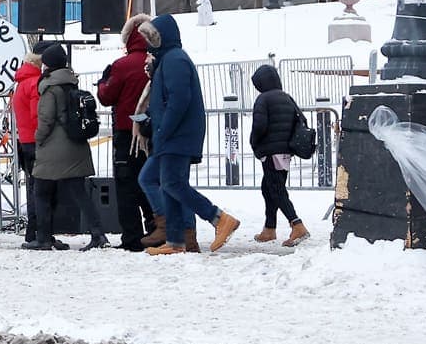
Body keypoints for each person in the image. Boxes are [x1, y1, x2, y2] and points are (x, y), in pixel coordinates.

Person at [137, 15, 240, 256]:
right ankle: (175, 240)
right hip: (173, 135)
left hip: (177, 136)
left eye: (152, 38)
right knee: (167, 184)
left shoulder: (174, 60)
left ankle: (219, 218)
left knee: (172, 183)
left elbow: (178, 101)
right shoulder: (169, 60)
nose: (149, 44)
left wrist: (163, 130)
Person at [32, 43, 105, 251]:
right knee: (79, 192)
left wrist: (38, 138)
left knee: (41, 191)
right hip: (76, 146)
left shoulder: (50, 88)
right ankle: (98, 233)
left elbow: (46, 120)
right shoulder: (71, 83)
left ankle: (44, 238)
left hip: (54, 150)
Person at [95, 14, 158, 251]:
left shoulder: (121, 66)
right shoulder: (157, 61)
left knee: (126, 187)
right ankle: (156, 229)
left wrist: (104, 81)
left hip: (126, 133)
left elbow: (106, 96)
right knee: (151, 183)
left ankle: (132, 237)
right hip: (153, 133)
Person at [248, 64, 308, 246]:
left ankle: (297, 225)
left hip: (270, 151)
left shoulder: (263, 99)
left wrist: (254, 143)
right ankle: (269, 228)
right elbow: (301, 120)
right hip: (285, 152)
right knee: (269, 188)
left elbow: (259, 126)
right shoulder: (286, 97)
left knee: (277, 190)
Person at [12, 44, 50, 248]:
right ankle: (37, 232)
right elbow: (38, 116)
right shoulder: (35, 83)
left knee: (33, 187)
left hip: (24, 141)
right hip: (36, 141)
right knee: (41, 190)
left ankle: (32, 232)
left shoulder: (21, 83)